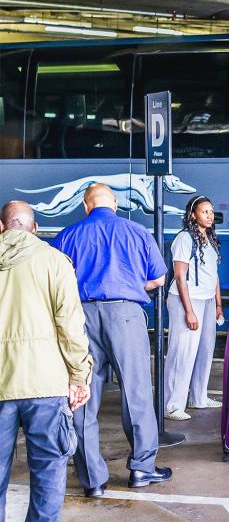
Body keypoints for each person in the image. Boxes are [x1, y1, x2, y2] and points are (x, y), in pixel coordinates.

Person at [54, 183, 172, 498]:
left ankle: (92, 479)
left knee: (82, 394)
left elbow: (56, 283)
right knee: (136, 392)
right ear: (116, 204)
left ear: (85, 205)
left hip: (80, 318)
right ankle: (142, 469)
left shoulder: (68, 236)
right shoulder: (137, 232)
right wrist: (131, 284)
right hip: (126, 315)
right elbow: (159, 278)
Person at [0, 201, 93, 521]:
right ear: (35, 228)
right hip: (45, 384)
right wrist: (80, 376)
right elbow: (70, 325)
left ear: (2, 227)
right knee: (48, 476)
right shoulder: (54, 261)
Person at [164, 195, 223, 421]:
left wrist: (217, 304)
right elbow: (180, 276)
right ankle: (172, 405)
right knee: (182, 352)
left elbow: (214, 275)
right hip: (186, 299)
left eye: (210, 211)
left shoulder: (209, 239)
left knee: (205, 349)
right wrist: (189, 311)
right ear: (193, 215)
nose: (209, 216)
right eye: (204, 212)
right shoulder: (184, 238)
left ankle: (198, 397)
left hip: (207, 300)